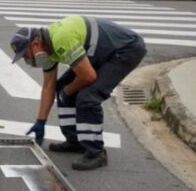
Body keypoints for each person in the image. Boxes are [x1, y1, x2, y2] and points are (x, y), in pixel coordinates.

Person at [10, 15, 146, 170]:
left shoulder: (61, 39)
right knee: (62, 87)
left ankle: (96, 153)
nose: (28, 61)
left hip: (126, 49)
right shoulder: (47, 48)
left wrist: (67, 91)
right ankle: (75, 141)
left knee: (88, 97)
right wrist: (40, 121)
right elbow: (49, 86)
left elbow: (88, 76)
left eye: (26, 55)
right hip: (100, 53)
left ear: (35, 44)